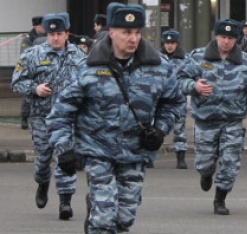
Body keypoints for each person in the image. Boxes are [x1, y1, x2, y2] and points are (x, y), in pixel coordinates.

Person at [45, 3, 184, 233]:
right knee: (104, 218)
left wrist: (160, 129)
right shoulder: (87, 68)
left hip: (135, 151)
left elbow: (173, 102)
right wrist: (64, 148)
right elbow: (62, 110)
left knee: (124, 219)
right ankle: (97, 214)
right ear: (111, 33)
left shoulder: (159, 67)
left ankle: (98, 211)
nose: (133, 38)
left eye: (138, 32)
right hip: (97, 150)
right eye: (126, 32)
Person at [177, 19, 247, 215]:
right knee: (205, 163)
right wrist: (194, 87)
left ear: (236, 39)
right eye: (223, 37)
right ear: (216, 36)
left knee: (230, 163)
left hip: (232, 121)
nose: (226, 41)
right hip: (205, 121)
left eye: (230, 38)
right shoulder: (198, 57)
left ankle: (220, 199)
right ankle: (206, 174)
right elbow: (179, 80)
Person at [11, 12, 86, 220]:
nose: (55, 38)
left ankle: (65, 202)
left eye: (59, 33)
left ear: (67, 34)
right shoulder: (32, 54)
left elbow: (89, 84)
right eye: (51, 33)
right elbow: (16, 83)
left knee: (66, 158)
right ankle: (42, 183)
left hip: (67, 118)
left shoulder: (79, 56)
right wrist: (35, 88)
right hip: (42, 117)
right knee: (43, 160)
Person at [154, 29, 189, 169]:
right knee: (154, 127)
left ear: (177, 43)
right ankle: (151, 155)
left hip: (177, 97)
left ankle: (181, 157)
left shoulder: (185, 58)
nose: (169, 46)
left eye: (172, 43)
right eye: (167, 43)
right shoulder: (156, 57)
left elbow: (191, 74)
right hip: (159, 97)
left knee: (179, 127)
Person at [19, 16, 47, 129]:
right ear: (36, 26)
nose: (44, 27)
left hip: (45, 68)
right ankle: (24, 117)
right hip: (31, 68)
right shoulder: (28, 38)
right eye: (41, 25)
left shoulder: (47, 37)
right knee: (28, 94)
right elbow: (25, 54)